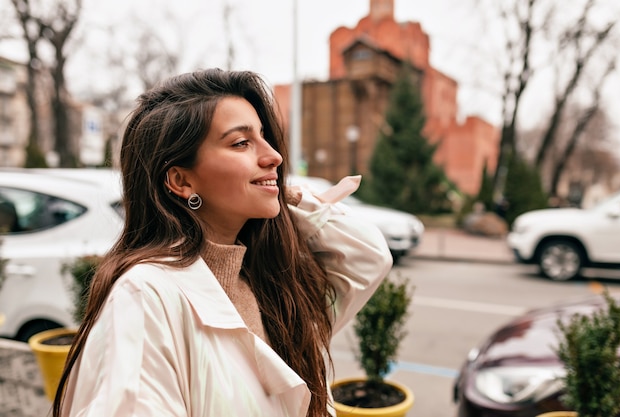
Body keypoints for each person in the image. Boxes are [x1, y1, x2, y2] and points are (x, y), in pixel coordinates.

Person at [53, 68, 393, 417]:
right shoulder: (145, 298)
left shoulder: (272, 284)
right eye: (241, 142)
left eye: (264, 136)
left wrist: (291, 201)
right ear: (181, 181)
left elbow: (368, 259)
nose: (273, 155)